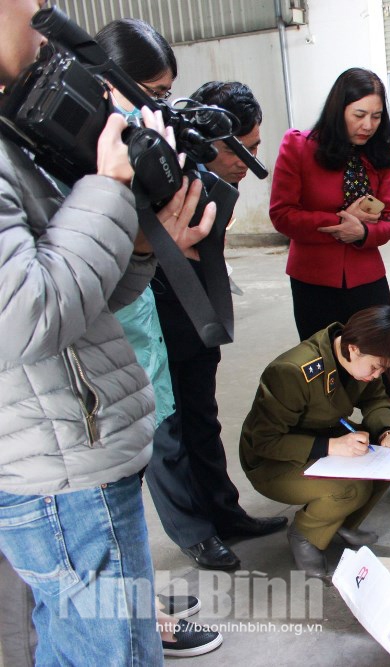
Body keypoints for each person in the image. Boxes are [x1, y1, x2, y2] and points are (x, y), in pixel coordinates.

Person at [0, 2, 182, 663]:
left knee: (81, 645)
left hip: (74, 456)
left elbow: (86, 302)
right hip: (59, 473)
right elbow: (27, 316)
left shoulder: (14, 127)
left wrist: (139, 243)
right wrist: (108, 188)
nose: (40, 20)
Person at [94, 17, 222, 658]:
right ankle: (139, 619)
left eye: (166, 92)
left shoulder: (134, 137)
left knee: (134, 474)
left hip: (131, 326)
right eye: (149, 91)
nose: (157, 107)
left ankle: (139, 600)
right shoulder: (81, 152)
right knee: (107, 499)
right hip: (89, 366)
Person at [151, 78, 287, 573]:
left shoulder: (211, 183)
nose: (247, 161)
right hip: (153, 311)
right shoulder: (159, 173)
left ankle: (224, 514)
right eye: (240, 150)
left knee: (202, 418)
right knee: (167, 427)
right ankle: (192, 531)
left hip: (195, 309)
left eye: (255, 146)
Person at [269, 69, 390, 510]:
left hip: (366, 278)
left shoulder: (380, 153)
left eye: (376, 116)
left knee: (384, 372)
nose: (368, 125)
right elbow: (282, 214)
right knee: (322, 374)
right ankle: (332, 462)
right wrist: (337, 222)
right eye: (359, 115)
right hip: (314, 280)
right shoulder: (299, 146)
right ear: (339, 109)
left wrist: (364, 233)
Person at [239, 306, 390, 578]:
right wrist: (332, 447)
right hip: (273, 460)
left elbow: (375, 399)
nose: (376, 375)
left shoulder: (362, 355)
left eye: (383, 370)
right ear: (353, 349)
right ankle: (305, 535)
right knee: (350, 489)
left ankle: (339, 524)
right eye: (375, 368)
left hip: (324, 436)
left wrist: (388, 433)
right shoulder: (291, 371)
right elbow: (264, 441)